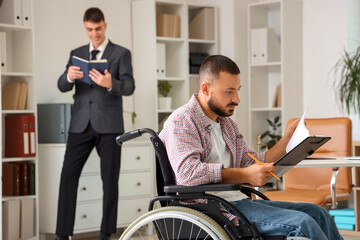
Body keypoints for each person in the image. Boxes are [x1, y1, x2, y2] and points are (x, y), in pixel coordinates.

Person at [159, 55, 342, 239]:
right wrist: (245, 175)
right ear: (206, 88)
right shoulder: (182, 121)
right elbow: (187, 173)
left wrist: (287, 141)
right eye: (229, 91)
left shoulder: (227, 124)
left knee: (319, 214)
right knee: (303, 223)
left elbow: (252, 161)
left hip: (237, 201)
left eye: (237, 90)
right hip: (212, 209)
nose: (237, 99)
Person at [55, 7, 135, 240]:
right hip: (80, 125)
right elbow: (62, 85)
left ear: (105, 26)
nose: (94, 33)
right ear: (85, 28)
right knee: (68, 177)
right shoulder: (76, 53)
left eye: (98, 28)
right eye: (89, 29)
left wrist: (112, 83)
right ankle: (62, 234)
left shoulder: (120, 53)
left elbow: (129, 86)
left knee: (110, 181)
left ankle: (106, 234)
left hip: (109, 127)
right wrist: (69, 76)